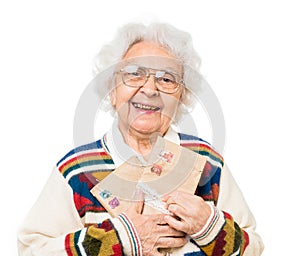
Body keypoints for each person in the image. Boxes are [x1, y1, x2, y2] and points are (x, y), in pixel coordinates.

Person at [18, 22, 264, 256]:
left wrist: (209, 226)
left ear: (182, 96)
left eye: (166, 79)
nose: (149, 89)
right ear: (112, 90)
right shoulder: (76, 169)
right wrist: (120, 238)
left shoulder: (207, 162)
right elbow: (31, 250)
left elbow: (254, 248)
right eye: (135, 74)